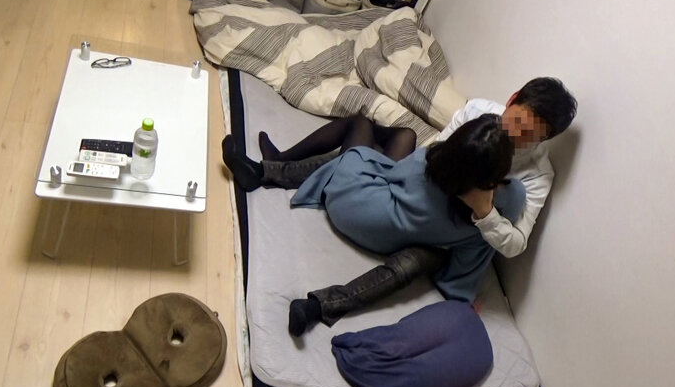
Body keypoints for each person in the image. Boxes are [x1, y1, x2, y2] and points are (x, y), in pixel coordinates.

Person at [223, 77, 577, 335]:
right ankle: (266, 170)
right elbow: (435, 155)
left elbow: (514, 244)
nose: (516, 135)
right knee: (389, 140)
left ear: (546, 138)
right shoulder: (479, 114)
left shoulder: (534, 179)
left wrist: (484, 212)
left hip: (438, 225)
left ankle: (318, 303)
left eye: (530, 135)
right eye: (517, 122)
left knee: (361, 157)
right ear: (512, 99)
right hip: (427, 191)